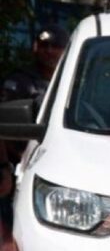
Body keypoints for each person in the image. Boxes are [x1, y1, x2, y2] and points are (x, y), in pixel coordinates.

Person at [0, 24, 69, 248]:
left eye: (55, 46)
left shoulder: (77, 80)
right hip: (22, 164)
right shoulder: (19, 82)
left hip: (67, 164)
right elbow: (3, 127)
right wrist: (8, 167)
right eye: (44, 45)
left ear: (66, 49)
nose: (49, 50)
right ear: (34, 47)